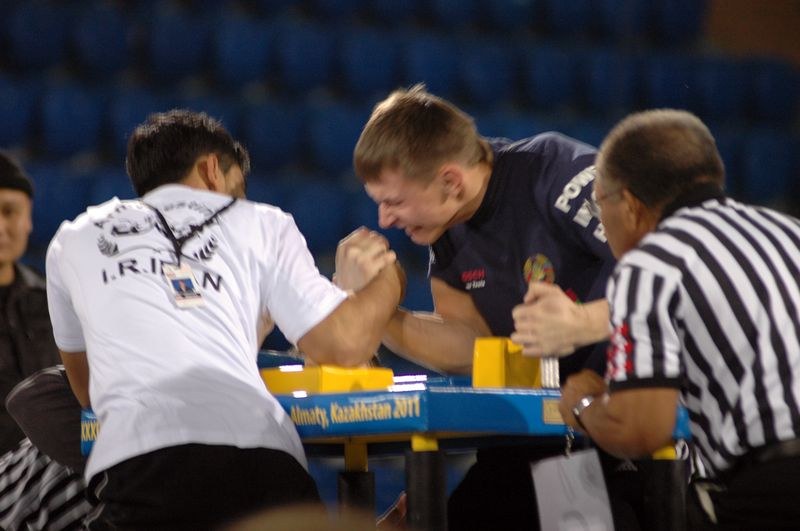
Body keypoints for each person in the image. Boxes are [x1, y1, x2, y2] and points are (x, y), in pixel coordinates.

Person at [46, 110, 405, 529]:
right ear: (212, 170)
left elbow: (90, 390)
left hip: (141, 466)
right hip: (260, 464)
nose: (240, 201)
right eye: (239, 189)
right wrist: (389, 281)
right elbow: (344, 347)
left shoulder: (72, 239)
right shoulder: (263, 222)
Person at [350, 85, 638, 530]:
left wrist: (584, 324)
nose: (385, 220)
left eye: (394, 201)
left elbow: (665, 267)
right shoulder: (445, 228)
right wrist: (378, 310)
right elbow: (470, 343)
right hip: (539, 437)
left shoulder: (555, 171)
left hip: (622, 427)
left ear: (451, 180)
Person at [557, 109, 800, 530]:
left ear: (629, 205)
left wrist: (582, 404)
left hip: (772, 488)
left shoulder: (650, 264)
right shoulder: (789, 232)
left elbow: (640, 430)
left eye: (601, 203)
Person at [0, 151, 61, 455]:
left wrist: (91, 454)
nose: (0, 228)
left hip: (46, 481)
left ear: (28, 220)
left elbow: (88, 395)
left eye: (9, 212)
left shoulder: (54, 301)